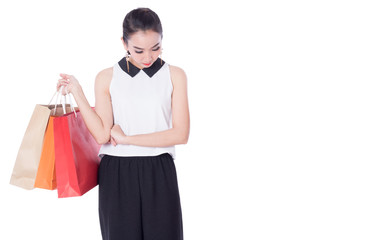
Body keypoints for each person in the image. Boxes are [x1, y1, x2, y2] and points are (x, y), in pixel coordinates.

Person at [57, 7, 190, 240]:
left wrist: (128, 139)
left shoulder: (174, 75)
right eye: (139, 50)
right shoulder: (107, 77)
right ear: (124, 43)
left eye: (155, 48)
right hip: (116, 172)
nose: (148, 57)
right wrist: (77, 91)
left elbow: (180, 134)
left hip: (159, 169)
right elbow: (101, 135)